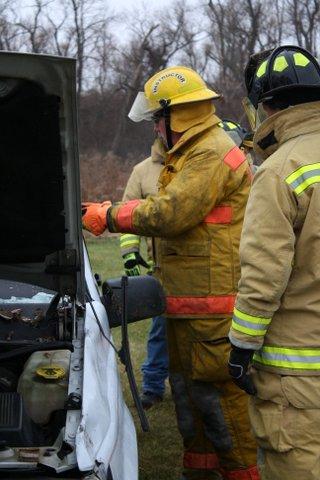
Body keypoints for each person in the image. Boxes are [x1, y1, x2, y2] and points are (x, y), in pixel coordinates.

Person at [82, 65, 259, 480]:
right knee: (191, 400)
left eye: (157, 120)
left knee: (222, 404)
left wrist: (109, 215)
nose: (155, 130)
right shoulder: (188, 154)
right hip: (187, 306)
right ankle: (198, 472)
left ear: (176, 116)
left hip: (212, 310)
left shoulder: (211, 152)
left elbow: (170, 212)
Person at [228, 45, 320, 480]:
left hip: (300, 370)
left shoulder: (280, 168)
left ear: (265, 107)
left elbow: (264, 273)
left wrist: (241, 347)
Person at [119, 138, 169, 409]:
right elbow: (128, 213)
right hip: (160, 267)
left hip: (196, 265)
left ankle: (199, 381)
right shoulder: (142, 171)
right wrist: (129, 252)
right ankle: (153, 385)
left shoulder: (197, 162)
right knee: (160, 327)